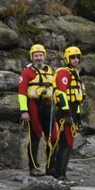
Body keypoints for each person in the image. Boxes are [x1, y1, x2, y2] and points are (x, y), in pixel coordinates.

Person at [47, 45, 85, 180]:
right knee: (65, 143)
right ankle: (59, 173)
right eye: (72, 57)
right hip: (65, 113)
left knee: (68, 144)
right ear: (67, 58)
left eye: (77, 57)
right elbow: (61, 93)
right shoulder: (64, 72)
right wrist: (66, 113)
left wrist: (78, 117)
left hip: (73, 112)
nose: (75, 60)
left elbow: (77, 99)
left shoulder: (76, 74)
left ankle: (60, 172)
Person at [17, 43, 56, 174]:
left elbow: (56, 90)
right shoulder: (27, 72)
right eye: (36, 55)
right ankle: (33, 167)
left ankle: (51, 166)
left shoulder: (50, 71)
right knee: (36, 135)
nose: (38, 58)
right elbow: (22, 93)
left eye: (40, 55)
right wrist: (24, 111)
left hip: (48, 105)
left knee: (53, 136)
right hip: (33, 105)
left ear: (44, 56)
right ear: (32, 57)